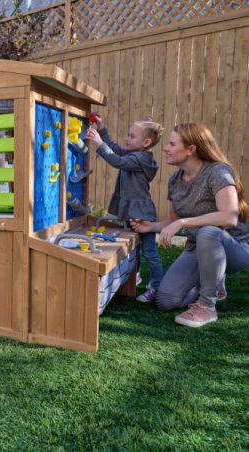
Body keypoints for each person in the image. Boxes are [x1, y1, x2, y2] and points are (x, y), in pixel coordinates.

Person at [131, 122, 249, 327]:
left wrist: (185, 222)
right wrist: (149, 227)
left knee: (208, 232)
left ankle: (207, 305)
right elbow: (173, 222)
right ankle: (211, 283)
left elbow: (229, 217)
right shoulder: (175, 179)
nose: (166, 148)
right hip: (198, 247)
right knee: (165, 301)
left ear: (191, 149)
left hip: (233, 249)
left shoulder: (217, 172)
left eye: (172, 144)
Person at [85, 117, 165, 302]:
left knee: (149, 251)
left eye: (132, 136)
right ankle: (134, 277)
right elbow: (116, 149)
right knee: (133, 248)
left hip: (141, 213)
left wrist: (98, 143)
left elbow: (116, 160)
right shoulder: (134, 155)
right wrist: (102, 129)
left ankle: (157, 285)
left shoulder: (140, 159)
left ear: (146, 142)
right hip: (132, 210)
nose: (127, 139)